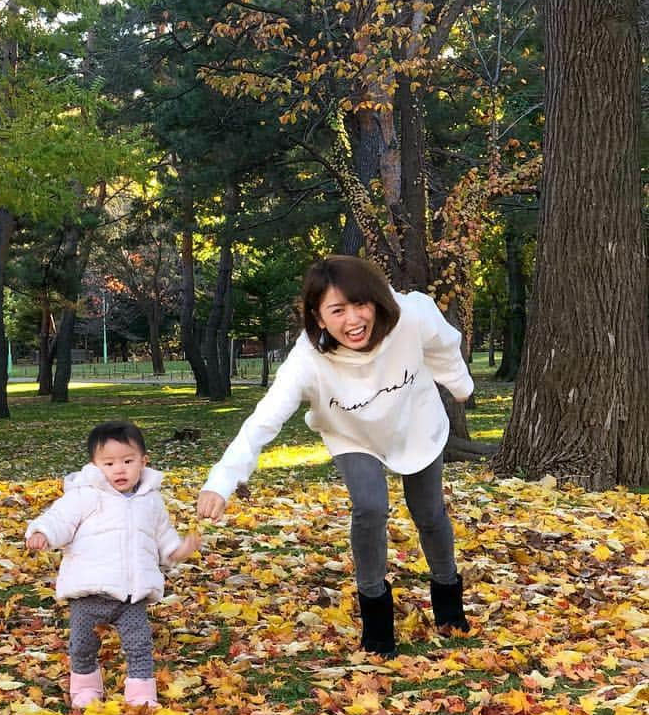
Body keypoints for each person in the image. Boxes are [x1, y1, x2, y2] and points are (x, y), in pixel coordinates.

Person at [196, 255, 473, 657]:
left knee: (429, 512)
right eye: (337, 310)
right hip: (350, 433)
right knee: (370, 506)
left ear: (377, 301)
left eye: (361, 305)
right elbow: (264, 420)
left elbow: (445, 345)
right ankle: (377, 621)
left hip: (414, 421)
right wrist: (221, 480)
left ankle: (448, 602)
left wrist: (459, 384)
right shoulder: (307, 360)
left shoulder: (412, 315)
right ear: (319, 318)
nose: (354, 319)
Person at [26, 420, 200, 708]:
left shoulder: (151, 501)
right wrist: (43, 533)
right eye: (109, 463)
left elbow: (163, 539)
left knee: (140, 645)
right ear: (95, 466)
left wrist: (180, 550)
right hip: (89, 592)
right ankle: (85, 688)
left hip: (132, 595)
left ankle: (142, 694)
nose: (119, 469)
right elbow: (59, 519)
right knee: (83, 645)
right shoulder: (85, 495)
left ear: (143, 461)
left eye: (128, 461)